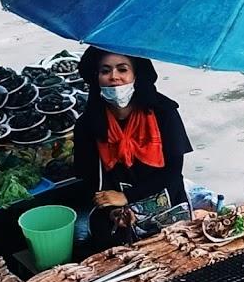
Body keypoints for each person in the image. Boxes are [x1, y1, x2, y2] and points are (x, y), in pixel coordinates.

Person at [72, 47, 192, 249]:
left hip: (166, 201)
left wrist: (127, 197)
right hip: (116, 206)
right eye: (105, 71)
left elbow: (173, 171)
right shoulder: (88, 124)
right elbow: (90, 179)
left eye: (122, 69)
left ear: (136, 75)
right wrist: (113, 209)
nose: (114, 77)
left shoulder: (164, 112)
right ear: (97, 78)